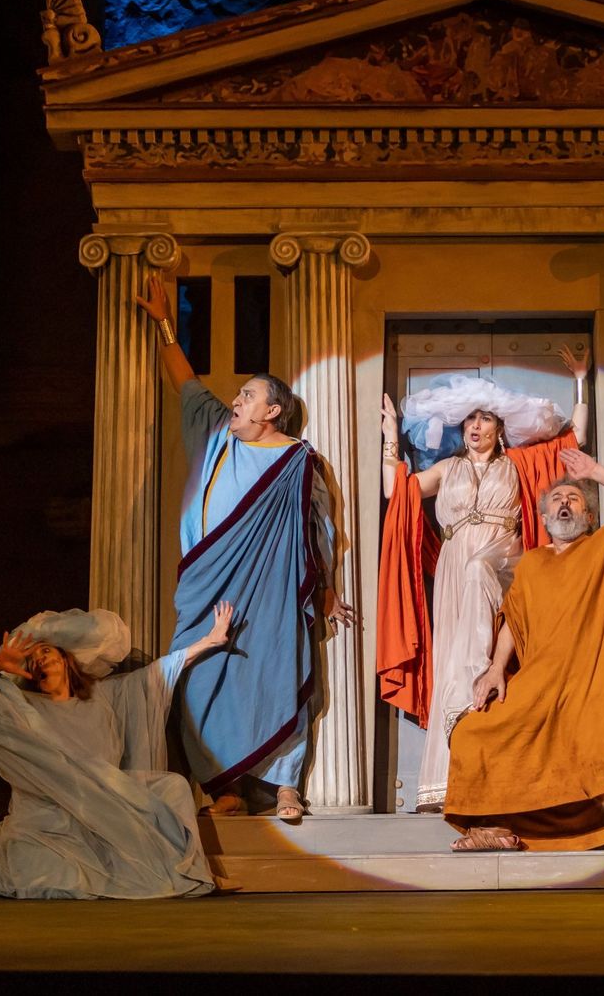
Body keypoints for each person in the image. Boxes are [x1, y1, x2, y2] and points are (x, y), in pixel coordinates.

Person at [135, 273, 353, 821]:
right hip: (207, 583)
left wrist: (325, 589)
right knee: (197, 674)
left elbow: (319, 530)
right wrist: (164, 323)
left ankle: (284, 786)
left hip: (274, 585)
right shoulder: (216, 435)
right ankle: (223, 787)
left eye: (248, 395)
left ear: (272, 411)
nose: (236, 399)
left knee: (279, 668)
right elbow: (185, 382)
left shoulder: (300, 463)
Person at [442, 450, 604, 891]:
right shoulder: (531, 562)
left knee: (603, 772)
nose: (564, 504)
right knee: (474, 734)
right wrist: (495, 669)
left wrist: (597, 472)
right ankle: (498, 826)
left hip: (595, 688)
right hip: (543, 685)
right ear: (544, 515)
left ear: (588, 515)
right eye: (557, 501)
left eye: (574, 499)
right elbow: (514, 616)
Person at [377, 353, 590, 812]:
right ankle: (445, 781)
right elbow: (398, 491)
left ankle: (480, 683)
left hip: (502, 558)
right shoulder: (448, 469)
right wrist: (390, 440)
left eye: (486, 418)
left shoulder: (518, 465)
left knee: (478, 577)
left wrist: (580, 381)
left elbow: (577, 437)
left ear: (500, 426)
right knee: (450, 653)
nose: (476, 426)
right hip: (455, 563)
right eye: (470, 419)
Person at [0, 604, 236, 899]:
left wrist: (209, 641)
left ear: (65, 656)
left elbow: (159, 673)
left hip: (106, 796)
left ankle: (186, 868)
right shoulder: (24, 705)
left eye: (46, 652)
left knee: (172, 787)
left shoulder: (106, 695)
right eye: (32, 660)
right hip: (52, 809)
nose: (41, 661)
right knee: (55, 867)